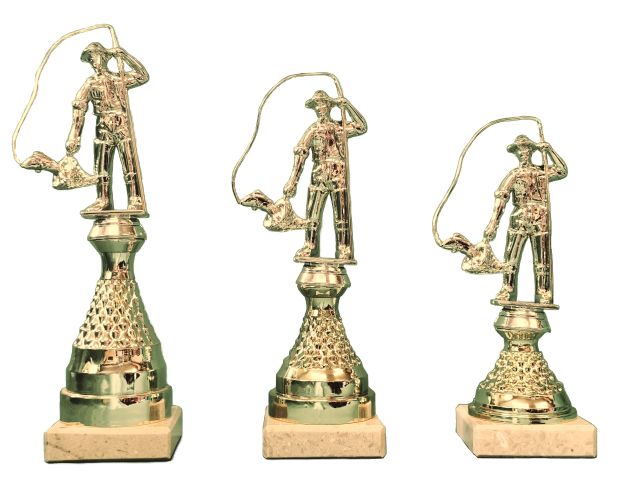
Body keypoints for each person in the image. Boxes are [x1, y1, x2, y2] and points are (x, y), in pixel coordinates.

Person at [283, 90, 367, 260]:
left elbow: (361, 127)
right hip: (319, 175)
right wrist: (293, 180)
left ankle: (344, 247)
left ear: (329, 106)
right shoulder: (313, 130)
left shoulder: (340, 127)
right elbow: (301, 152)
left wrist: (348, 106)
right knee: (312, 214)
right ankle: (310, 245)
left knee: (342, 214)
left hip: (338, 176)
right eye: (316, 106)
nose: (319, 108)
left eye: (322, 104)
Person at [65, 42, 149, 213]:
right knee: (101, 165)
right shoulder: (90, 83)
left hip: (122, 124)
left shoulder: (119, 79)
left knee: (129, 162)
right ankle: (102, 199)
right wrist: (74, 134)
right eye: (90, 59)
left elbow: (142, 76)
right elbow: (79, 107)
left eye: (94, 57)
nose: (92, 62)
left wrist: (125, 56)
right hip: (103, 126)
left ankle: (135, 198)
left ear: (103, 57)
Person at [483, 135, 568, 304]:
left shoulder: (541, 172)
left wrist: (550, 150)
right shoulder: (514, 175)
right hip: (519, 218)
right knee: (511, 257)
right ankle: (507, 289)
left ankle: (543, 291)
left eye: (526, 149)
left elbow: (562, 171)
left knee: (542, 258)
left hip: (540, 218)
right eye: (519, 151)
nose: (523, 153)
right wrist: (493, 223)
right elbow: (501, 196)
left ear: (531, 151)